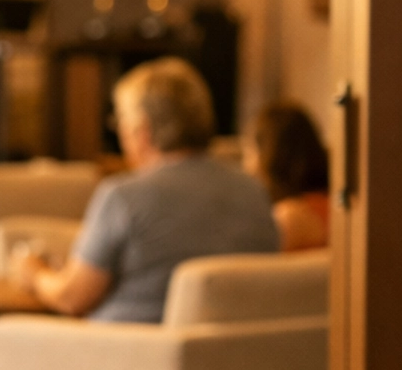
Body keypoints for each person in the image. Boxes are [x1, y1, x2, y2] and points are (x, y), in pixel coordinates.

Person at [24, 56, 278, 322]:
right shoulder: (255, 192)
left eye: (121, 121)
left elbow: (71, 297)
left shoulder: (122, 197)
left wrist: (34, 274)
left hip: (122, 345)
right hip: (233, 346)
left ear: (141, 129)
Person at [246, 101, 331, 251]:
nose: (246, 164)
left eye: (249, 151)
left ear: (267, 155)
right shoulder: (332, 207)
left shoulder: (286, 219)